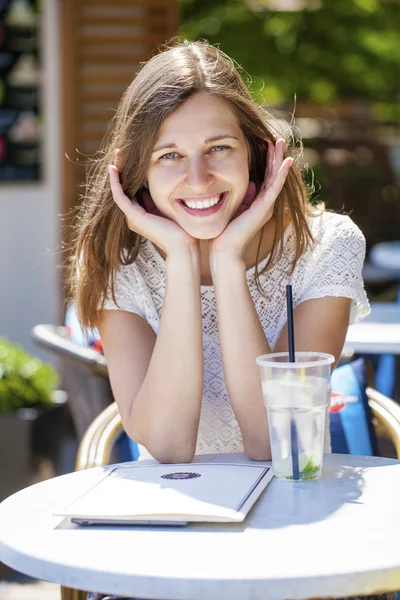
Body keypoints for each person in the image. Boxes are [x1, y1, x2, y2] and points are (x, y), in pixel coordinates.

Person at [69, 39, 394, 600]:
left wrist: (227, 261)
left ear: (257, 153)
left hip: (302, 528)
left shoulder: (327, 247)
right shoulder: (118, 261)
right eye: (169, 155)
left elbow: (272, 442)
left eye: (218, 148)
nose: (197, 179)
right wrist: (176, 261)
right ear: (138, 172)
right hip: (172, 537)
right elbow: (168, 446)